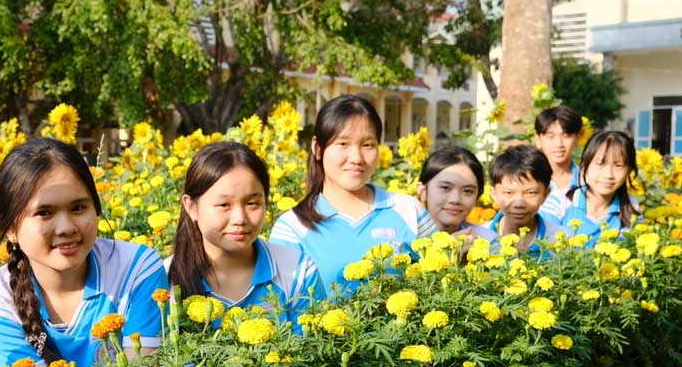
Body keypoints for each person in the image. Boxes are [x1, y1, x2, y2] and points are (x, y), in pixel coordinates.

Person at [0, 138, 169, 367]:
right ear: (10, 228)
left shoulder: (137, 269)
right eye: (44, 213)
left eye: (78, 208)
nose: (66, 227)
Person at [269, 95, 437, 297]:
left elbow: (436, 280)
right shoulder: (292, 228)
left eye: (368, 145)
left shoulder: (409, 210)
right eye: (343, 144)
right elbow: (282, 307)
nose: (356, 158)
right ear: (318, 148)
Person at [166, 141, 324, 328]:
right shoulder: (165, 280)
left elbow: (314, 352)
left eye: (252, 203)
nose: (240, 219)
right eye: (224, 205)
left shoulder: (298, 271)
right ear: (191, 207)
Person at [543, 130, 640, 242]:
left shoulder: (631, 206)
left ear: (629, 171)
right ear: (584, 166)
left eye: (618, 165)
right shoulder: (559, 202)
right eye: (600, 164)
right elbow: (543, 249)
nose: (609, 175)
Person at [486, 144, 564, 257]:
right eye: (508, 193)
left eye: (530, 193)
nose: (519, 204)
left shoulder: (560, 240)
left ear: (546, 194)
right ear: (494, 193)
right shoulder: (481, 238)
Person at [417, 145, 497, 240]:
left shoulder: (489, 243)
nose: (455, 200)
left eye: (468, 191)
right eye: (445, 188)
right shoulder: (401, 240)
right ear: (423, 191)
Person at [535, 105, 583, 218]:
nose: (559, 144)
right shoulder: (529, 181)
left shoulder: (589, 182)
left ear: (578, 138)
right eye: (550, 136)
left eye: (566, 136)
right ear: (538, 139)